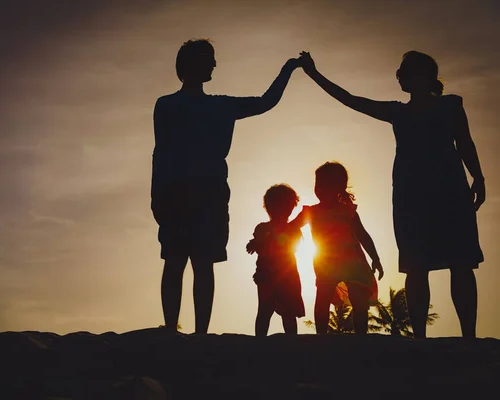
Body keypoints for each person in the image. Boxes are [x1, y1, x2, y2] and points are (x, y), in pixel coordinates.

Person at [298, 50, 485, 338]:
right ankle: (420, 337)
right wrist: (314, 74)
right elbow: (351, 100)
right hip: (412, 198)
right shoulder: (398, 112)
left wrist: (479, 176)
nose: (400, 76)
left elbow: (466, 143)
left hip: (450, 191)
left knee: (460, 262)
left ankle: (469, 336)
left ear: (426, 75)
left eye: (406, 71)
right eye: (400, 72)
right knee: (416, 265)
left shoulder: (450, 106)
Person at [152, 38, 302, 334]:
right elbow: (162, 151)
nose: (213, 64)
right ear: (188, 65)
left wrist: (288, 69)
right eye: (208, 58)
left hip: (207, 193)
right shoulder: (169, 105)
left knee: (199, 264)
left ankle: (199, 333)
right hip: (181, 192)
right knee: (176, 261)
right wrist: (157, 194)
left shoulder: (219, 105)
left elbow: (266, 102)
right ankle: (174, 330)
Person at [290, 162, 384, 335]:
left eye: (325, 184)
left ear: (339, 187)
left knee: (359, 301)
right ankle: (321, 336)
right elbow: (291, 227)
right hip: (326, 262)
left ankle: (361, 336)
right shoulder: (311, 212)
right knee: (323, 297)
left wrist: (375, 258)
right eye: (317, 184)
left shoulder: (348, 212)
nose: (320, 189)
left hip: (352, 262)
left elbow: (363, 235)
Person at [246, 184, 306, 336]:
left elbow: (291, 246)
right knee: (265, 310)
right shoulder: (262, 228)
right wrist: (255, 243)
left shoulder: (292, 230)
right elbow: (260, 244)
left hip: (286, 276)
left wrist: (261, 243)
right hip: (268, 275)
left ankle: (291, 341)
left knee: (288, 312)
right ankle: (261, 341)